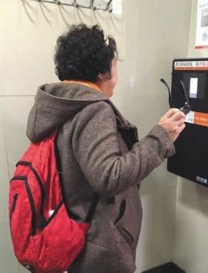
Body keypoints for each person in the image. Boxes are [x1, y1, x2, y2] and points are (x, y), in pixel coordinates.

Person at [26, 24, 186, 272]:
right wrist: (160, 138)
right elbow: (109, 177)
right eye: (115, 64)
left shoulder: (60, 105)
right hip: (101, 247)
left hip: (76, 233)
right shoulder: (93, 110)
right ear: (103, 72)